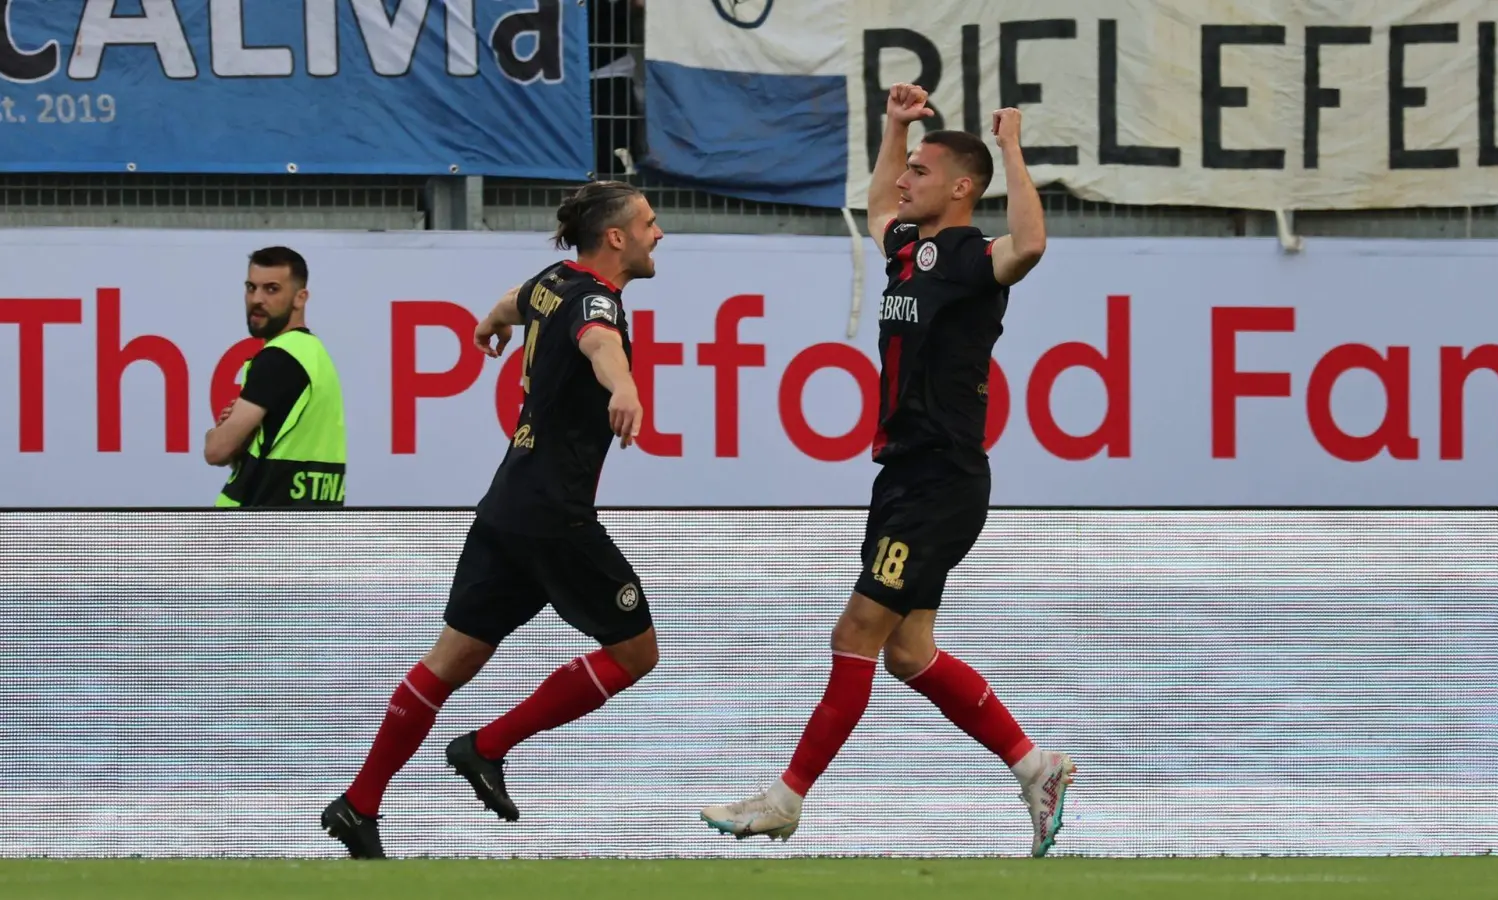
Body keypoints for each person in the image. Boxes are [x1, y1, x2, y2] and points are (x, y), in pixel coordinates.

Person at [700, 85, 1071, 857]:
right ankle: (1034, 766)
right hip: (902, 476)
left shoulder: (972, 257)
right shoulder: (909, 245)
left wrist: (1012, 148)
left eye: (923, 171)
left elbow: (1030, 245)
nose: (907, 180)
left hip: (941, 481)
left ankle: (786, 798)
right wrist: (898, 127)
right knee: (908, 652)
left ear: (964, 187)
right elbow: (876, 206)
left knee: (856, 631)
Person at [320, 181, 665, 860]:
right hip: (554, 518)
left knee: (450, 662)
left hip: (505, 506)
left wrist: (491, 320)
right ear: (616, 238)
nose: (660, 233)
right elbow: (600, 343)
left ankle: (359, 803)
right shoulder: (598, 300)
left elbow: (519, 299)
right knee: (637, 652)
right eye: (650, 223)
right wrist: (623, 385)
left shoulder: (554, 280)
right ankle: (488, 746)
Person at [206, 246, 347, 507]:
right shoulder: (314, 355)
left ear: (300, 298)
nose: (257, 299)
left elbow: (216, 451)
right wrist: (246, 439)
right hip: (310, 523)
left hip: (262, 527)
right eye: (251, 288)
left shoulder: (278, 358)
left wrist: (217, 433)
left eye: (271, 289)